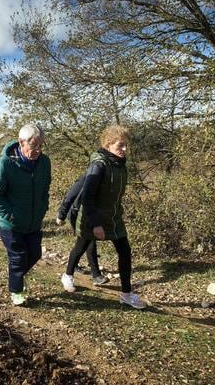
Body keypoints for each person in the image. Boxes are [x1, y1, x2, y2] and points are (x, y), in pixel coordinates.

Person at [60, 125, 146, 309]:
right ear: (108, 145)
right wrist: (96, 224)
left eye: (126, 145)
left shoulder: (120, 164)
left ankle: (126, 293)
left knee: (125, 252)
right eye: (120, 146)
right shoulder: (98, 165)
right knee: (80, 247)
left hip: (113, 216)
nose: (124, 150)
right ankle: (67, 275)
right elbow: (88, 197)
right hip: (92, 216)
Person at [0, 124, 51, 306]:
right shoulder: (4, 164)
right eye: (34, 146)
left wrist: (42, 207)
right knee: (18, 257)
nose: (38, 150)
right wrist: (10, 215)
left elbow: (45, 188)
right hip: (11, 224)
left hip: (33, 221)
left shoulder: (44, 162)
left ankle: (15, 277)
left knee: (35, 254)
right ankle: (16, 291)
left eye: (41, 146)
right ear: (21, 142)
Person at [56, 175, 107, 286]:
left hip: (90, 216)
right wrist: (61, 215)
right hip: (76, 214)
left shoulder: (106, 181)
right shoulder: (87, 178)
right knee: (88, 242)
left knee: (86, 242)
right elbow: (69, 197)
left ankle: (78, 267)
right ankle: (95, 275)